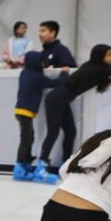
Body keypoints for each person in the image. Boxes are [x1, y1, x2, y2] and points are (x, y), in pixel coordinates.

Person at [35, 45, 111, 183]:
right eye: (108, 55)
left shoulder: (96, 68)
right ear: (100, 56)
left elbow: (110, 80)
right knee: (53, 132)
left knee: (70, 131)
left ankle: (66, 162)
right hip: (56, 99)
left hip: (61, 100)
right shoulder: (97, 69)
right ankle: (40, 167)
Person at [12, 52, 69, 182]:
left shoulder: (25, 73)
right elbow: (55, 83)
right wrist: (64, 73)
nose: (42, 65)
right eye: (41, 62)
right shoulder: (36, 77)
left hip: (21, 111)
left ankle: (25, 162)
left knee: (29, 137)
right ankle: (19, 167)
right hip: (25, 111)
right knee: (26, 139)